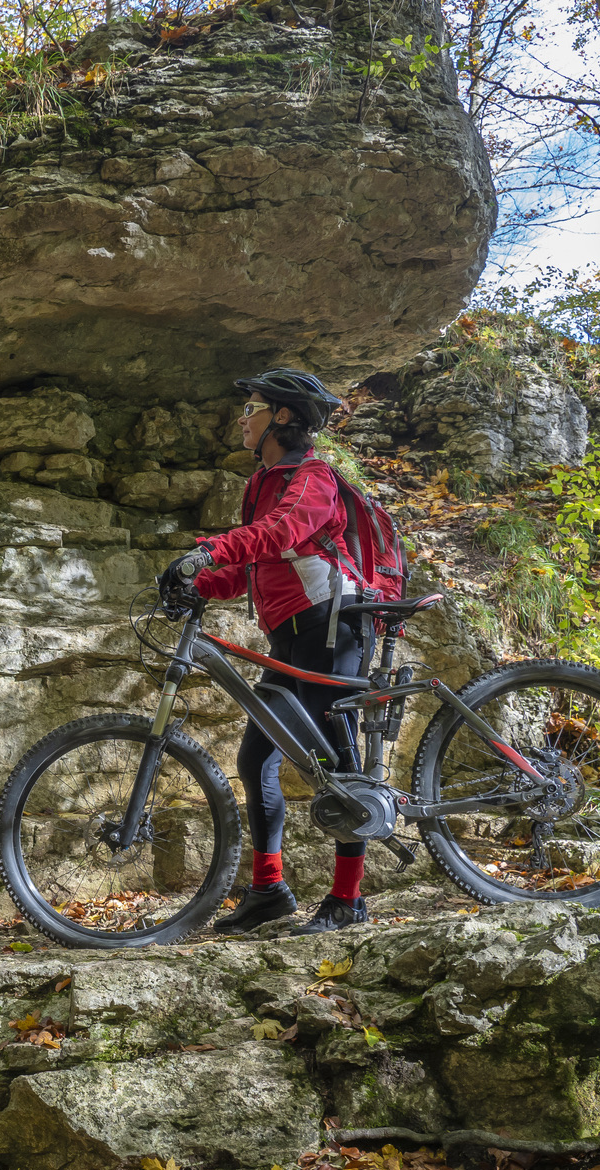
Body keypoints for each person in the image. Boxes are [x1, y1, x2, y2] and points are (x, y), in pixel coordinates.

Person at [158, 369, 371, 937]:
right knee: (256, 759)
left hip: (331, 624)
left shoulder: (312, 477)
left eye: (250, 408)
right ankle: (269, 891)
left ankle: (347, 900)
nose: (241, 419)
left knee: (337, 764)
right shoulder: (265, 482)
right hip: (290, 633)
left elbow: (284, 531)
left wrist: (208, 550)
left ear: (281, 416)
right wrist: (197, 583)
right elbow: (253, 568)